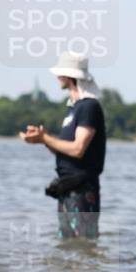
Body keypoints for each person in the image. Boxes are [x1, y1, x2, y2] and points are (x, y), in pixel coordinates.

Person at [19, 51, 107, 239]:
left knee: (84, 242)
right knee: (67, 245)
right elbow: (65, 149)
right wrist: (43, 139)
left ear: (69, 75)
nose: (57, 76)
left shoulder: (89, 107)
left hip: (83, 189)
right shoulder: (73, 109)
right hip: (67, 187)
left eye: (60, 72)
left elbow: (78, 149)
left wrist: (45, 139)